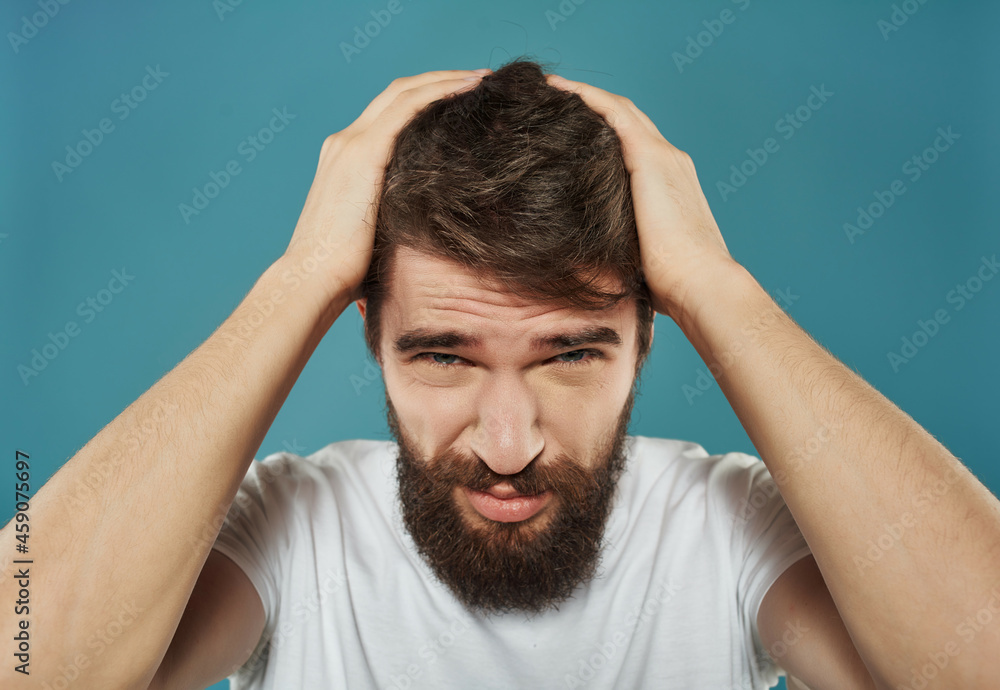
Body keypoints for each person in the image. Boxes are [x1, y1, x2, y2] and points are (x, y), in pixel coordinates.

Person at [3, 58, 998, 690]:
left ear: (648, 334)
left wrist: (716, 287)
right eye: (442, 355)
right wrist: (297, 281)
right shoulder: (288, 529)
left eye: (571, 354)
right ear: (366, 332)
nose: (507, 446)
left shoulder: (730, 527)